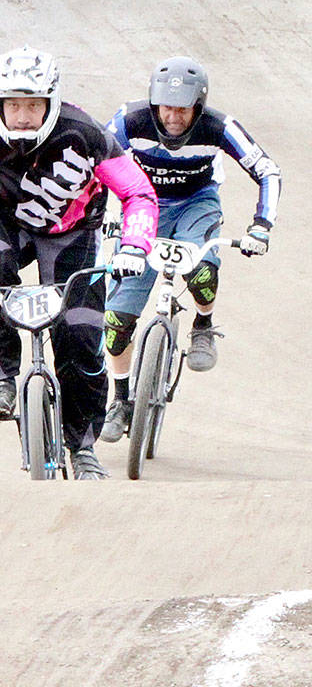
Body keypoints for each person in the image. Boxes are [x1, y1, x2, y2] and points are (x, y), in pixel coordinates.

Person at [0, 47, 157, 481]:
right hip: (7, 224)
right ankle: (2, 378)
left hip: (75, 232)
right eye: (13, 105)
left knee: (81, 333)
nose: (23, 115)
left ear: (52, 102)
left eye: (33, 104)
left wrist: (133, 247)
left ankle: (83, 448)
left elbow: (137, 192)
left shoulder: (85, 132)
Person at [99, 58, 280, 442]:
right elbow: (92, 164)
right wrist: (103, 214)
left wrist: (261, 228)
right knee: (115, 323)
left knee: (200, 270)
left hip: (198, 202)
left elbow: (267, 171)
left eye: (182, 109)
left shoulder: (219, 127)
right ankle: (120, 400)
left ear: (198, 106)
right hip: (142, 204)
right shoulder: (128, 121)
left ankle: (203, 324)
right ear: (153, 103)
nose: (174, 117)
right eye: (166, 107)